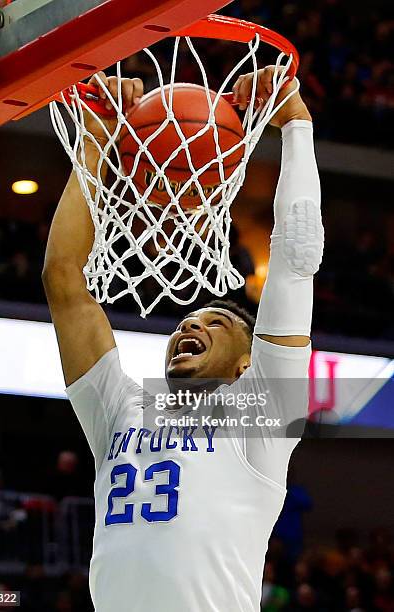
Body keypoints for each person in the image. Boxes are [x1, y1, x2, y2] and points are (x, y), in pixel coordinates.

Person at [42, 65, 323, 611]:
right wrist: (97, 135)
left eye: (215, 324)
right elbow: (65, 280)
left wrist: (294, 124)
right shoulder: (122, 408)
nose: (190, 325)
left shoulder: (261, 416)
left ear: (247, 365)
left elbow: (295, 261)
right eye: (185, 324)